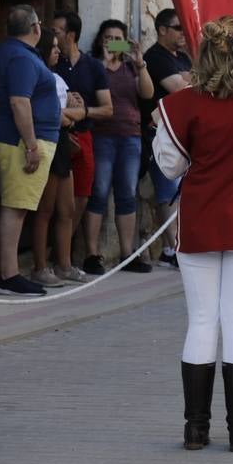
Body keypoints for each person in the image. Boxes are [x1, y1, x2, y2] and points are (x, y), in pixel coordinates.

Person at [152, 17, 233, 452]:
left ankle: (195, 429)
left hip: (201, 217)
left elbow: (170, 167)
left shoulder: (182, 104)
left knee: (202, 320)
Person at [0, 6, 60, 296]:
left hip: (12, 139)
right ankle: (9, 275)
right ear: (35, 28)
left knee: (14, 206)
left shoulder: (11, 52)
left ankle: (8, 272)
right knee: (15, 208)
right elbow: (20, 102)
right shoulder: (20, 56)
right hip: (20, 142)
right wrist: (31, 145)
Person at [84, 20, 154, 274]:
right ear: (100, 41)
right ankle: (92, 254)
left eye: (117, 38)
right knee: (99, 192)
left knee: (126, 194)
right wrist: (103, 63)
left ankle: (127, 254)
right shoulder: (93, 66)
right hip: (102, 136)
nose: (112, 43)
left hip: (130, 137)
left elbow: (147, 94)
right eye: (108, 38)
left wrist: (140, 62)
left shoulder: (131, 68)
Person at [29, 26, 91, 288]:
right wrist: (69, 113)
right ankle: (40, 267)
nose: (57, 50)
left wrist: (71, 112)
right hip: (49, 144)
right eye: (53, 47)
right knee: (45, 211)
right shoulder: (39, 78)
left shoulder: (57, 78)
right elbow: (58, 116)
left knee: (67, 209)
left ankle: (64, 265)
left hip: (62, 146)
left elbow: (78, 112)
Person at [51, 12, 114, 262]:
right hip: (57, 136)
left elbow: (108, 108)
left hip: (84, 135)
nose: (51, 35)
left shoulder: (94, 66)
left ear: (71, 35)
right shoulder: (51, 62)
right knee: (50, 202)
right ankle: (51, 258)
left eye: (56, 31)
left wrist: (82, 111)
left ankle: (61, 256)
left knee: (81, 198)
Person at [142, 8, 193, 272]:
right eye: (178, 28)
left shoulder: (183, 57)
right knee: (168, 191)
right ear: (162, 29)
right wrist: (189, 79)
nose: (184, 33)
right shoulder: (154, 56)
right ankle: (170, 248)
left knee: (180, 191)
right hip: (160, 133)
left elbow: (194, 83)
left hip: (183, 134)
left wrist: (189, 78)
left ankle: (181, 243)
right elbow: (180, 88)